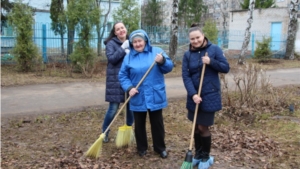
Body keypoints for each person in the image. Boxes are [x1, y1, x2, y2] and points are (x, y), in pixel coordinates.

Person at [118, 29, 174, 158]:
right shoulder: (129, 57)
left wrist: (163, 61)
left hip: (155, 94)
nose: (137, 44)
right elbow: (122, 75)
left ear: (145, 41)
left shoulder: (157, 52)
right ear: (131, 44)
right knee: (139, 123)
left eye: (140, 41)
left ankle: (160, 148)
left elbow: (169, 67)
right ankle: (141, 147)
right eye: (135, 42)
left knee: (157, 123)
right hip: (138, 94)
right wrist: (129, 87)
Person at [181, 24, 230, 169]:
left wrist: (211, 62)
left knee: (203, 127)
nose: (195, 41)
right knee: (195, 127)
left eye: (198, 37)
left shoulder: (214, 50)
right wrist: (193, 94)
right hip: (194, 95)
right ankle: (197, 154)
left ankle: (206, 157)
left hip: (210, 95)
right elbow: (186, 75)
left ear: (203, 36)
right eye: (192, 39)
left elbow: (225, 67)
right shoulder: (187, 54)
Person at [101, 22, 134, 143]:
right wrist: (122, 48)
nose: (121, 30)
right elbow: (112, 59)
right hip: (115, 81)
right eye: (118, 29)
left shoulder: (132, 41)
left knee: (131, 108)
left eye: (122, 28)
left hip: (130, 80)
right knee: (113, 109)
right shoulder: (111, 44)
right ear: (115, 32)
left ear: (125, 29)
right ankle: (105, 132)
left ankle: (128, 131)